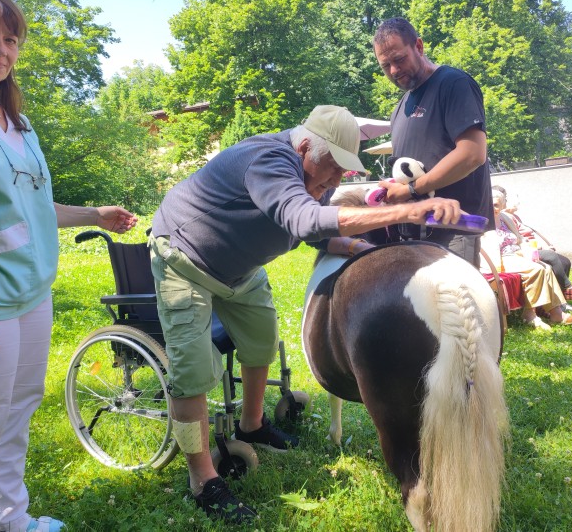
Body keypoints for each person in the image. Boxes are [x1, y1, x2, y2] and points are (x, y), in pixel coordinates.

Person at [148, 104, 461, 523]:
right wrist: (405, 210)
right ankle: (202, 479)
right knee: (192, 370)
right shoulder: (269, 161)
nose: (334, 181)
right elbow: (304, 219)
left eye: (343, 172)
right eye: (331, 167)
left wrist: (349, 246)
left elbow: (312, 230)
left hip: (240, 270)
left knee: (261, 342)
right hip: (184, 258)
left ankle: (252, 425)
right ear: (307, 144)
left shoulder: (312, 172)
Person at [0, 0, 137, 532]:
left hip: (28, 298)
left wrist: (93, 214)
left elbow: (29, 206)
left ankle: (8, 520)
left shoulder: (14, 119)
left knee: (14, 415)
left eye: (10, 38)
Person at [372, 17, 493, 269]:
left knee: (454, 308)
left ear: (418, 46)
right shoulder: (400, 108)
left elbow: (472, 154)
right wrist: (391, 190)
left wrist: (410, 190)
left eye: (399, 59)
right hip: (412, 231)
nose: (393, 70)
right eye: (385, 65)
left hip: (453, 228)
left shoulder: (453, 84)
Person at [491, 190, 572, 329]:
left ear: (503, 205)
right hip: (500, 257)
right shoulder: (484, 220)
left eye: (496, 205)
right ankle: (530, 314)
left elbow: (520, 239)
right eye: (490, 204)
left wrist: (528, 251)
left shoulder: (505, 218)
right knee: (537, 269)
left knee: (546, 268)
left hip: (516, 253)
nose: (493, 208)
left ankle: (556, 313)